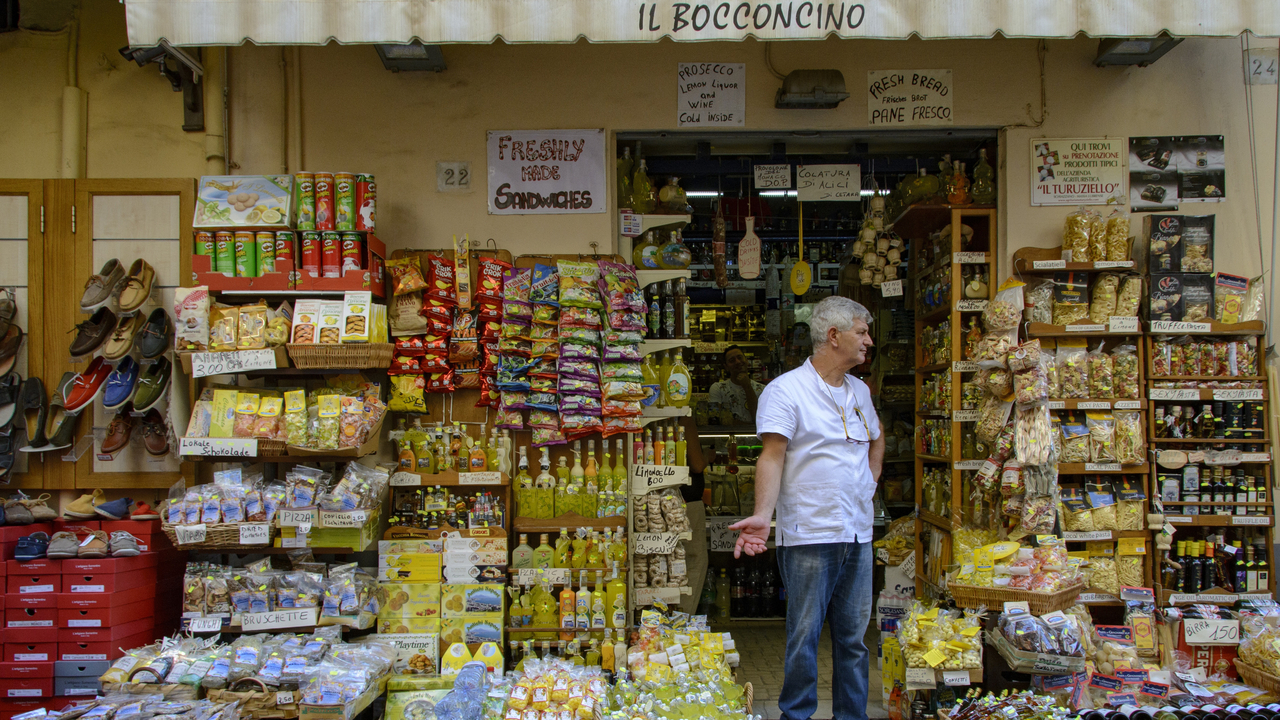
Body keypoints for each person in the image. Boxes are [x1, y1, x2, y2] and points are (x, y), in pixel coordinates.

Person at [729, 296, 884, 720]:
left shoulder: (859, 390)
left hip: (858, 532)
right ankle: (796, 715)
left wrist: (868, 483)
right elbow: (772, 456)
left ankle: (851, 716)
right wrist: (763, 516)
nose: (868, 340)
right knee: (804, 636)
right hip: (811, 534)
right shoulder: (786, 390)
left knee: (853, 638)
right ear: (834, 337)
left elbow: (877, 437)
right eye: (861, 331)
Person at [675, 414, 708, 615]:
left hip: (655, 500)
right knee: (694, 561)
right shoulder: (684, 419)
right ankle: (682, 618)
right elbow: (697, 464)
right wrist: (709, 457)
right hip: (688, 504)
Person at [707, 345, 764, 424]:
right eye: (732, 360)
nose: (737, 362)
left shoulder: (762, 389)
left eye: (740, 357)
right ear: (726, 367)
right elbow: (715, 419)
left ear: (746, 360)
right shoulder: (717, 388)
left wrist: (747, 386)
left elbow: (760, 419)